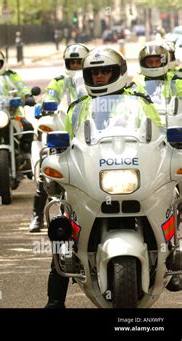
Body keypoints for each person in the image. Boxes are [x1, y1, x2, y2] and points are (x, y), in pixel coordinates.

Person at [45, 47, 162, 308]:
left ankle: (171, 252)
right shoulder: (77, 108)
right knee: (64, 233)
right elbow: (64, 145)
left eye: (104, 71)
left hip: (132, 173)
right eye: (93, 73)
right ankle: (55, 300)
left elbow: (159, 138)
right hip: (92, 179)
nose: (98, 77)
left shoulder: (141, 103)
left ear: (117, 72)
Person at [29, 43, 89, 233]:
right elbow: (51, 95)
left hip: (89, 134)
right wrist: (46, 105)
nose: (75, 66)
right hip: (64, 134)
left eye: (79, 62)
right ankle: (37, 216)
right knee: (46, 165)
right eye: (72, 63)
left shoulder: (94, 80)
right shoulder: (59, 81)